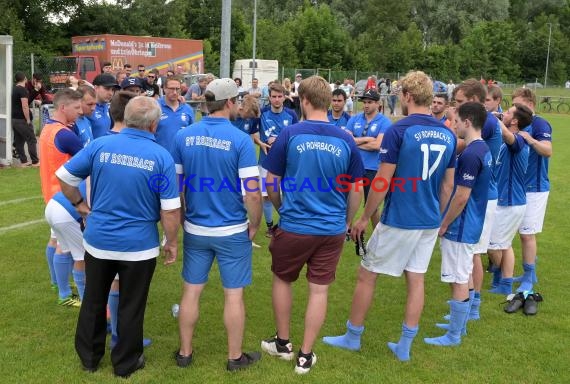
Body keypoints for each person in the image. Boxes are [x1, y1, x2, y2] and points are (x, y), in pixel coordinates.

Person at [322, 71, 456, 362]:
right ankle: (405, 345)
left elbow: (381, 182)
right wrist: (440, 216)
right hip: (429, 219)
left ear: (407, 96)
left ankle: (352, 336)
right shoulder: (448, 133)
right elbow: (448, 185)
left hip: (400, 217)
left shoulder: (398, 130)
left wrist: (363, 217)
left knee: (367, 274)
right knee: (416, 279)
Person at [57, 96, 181, 378]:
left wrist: (80, 205)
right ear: (154, 124)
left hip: (99, 241)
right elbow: (171, 210)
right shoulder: (161, 157)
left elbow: (65, 177)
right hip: (138, 245)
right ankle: (125, 363)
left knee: (93, 299)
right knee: (132, 304)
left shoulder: (100, 145)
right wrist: (171, 242)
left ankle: (89, 358)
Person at [261, 75, 364, 374]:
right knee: (319, 290)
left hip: (295, 225)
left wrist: (282, 208)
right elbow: (356, 188)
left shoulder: (291, 134)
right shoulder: (345, 138)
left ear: (304, 101)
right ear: (326, 101)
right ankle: (305, 355)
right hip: (330, 228)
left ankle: (283, 344)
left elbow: (271, 182)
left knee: (283, 279)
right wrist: (344, 221)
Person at [172, 78, 262, 371]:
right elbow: (252, 191)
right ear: (229, 103)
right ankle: (234, 357)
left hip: (196, 227)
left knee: (191, 291)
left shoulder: (184, 136)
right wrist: (255, 223)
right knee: (233, 294)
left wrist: (183, 216)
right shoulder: (239, 140)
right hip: (232, 228)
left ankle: (185, 352)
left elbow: (176, 185)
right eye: (236, 100)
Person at [424, 102, 491, 346]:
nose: (454, 125)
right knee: (463, 273)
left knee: (459, 277)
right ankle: (458, 324)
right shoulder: (482, 149)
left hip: (462, 225)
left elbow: (462, 196)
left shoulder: (472, 154)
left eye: (456, 121)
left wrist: (444, 223)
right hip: (472, 222)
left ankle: (453, 335)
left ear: (468, 122)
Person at [451, 79, 502, 318]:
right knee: (471, 254)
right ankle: (470, 304)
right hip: (483, 193)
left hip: (482, 196)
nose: (457, 107)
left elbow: (461, 144)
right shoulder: (486, 122)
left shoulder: (486, 123)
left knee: (473, 254)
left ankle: (473, 306)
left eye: (460, 103)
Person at [39, 88, 84, 306]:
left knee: (57, 241)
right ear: (63, 107)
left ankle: (58, 284)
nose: (80, 111)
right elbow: (87, 160)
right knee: (69, 249)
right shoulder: (65, 134)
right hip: (65, 199)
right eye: (77, 107)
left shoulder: (47, 129)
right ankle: (65, 293)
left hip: (51, 194)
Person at [510, 88, 552, 293]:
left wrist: (531, 139)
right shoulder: (514, 122)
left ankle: (528, 277)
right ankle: (529, 272)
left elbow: (548, 150)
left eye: (520, 105)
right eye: (514, 105)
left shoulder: (540, 123)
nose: (516, 109)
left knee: (527, 234)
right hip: (518, 185)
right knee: (521, 232)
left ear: (531, 104)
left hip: (535, 187)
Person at [487, 104, 532, 295]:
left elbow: (507, 135)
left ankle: (504, 280)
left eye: (507, 112)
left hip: (511, 202)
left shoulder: (519, 140)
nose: (503, 113)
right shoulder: (505, 141)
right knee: (501, 244)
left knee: (494, 245)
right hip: (504, 200)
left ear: (514, 121)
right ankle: (503, 280)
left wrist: (492, 119)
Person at [252, 82, 299, 238]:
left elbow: (297, 137)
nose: (277, 100)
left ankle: (286, 223)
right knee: (266, 195)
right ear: (269, 97)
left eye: (280, 96)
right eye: (274, 97)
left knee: (287, 192)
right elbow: (254, 135)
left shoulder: (291, 115)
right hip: (266, 162)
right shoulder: (262, 113)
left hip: (287, 162)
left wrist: (279, 140)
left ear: (284, 97)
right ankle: (270, 226)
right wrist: (261, 142)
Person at [345, 88, 392, 229]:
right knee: (348, 202)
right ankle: (346, 230)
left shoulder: (385, 122)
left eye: (370, 102)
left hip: (372, 168)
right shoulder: (354, 119)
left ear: (378, 104)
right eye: (364, 102)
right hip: (353, 167)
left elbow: (377, 145)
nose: (366, 105)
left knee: (372, 207)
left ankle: (377, 236)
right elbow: (347, 140)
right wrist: (366, 139)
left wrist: (355, 142)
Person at [155, 76, 194, 154]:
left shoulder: (187, 109)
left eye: (177, 89)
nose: (175, 92)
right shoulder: (155, 106)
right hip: (160, 155)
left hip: (181, 156)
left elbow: (191, 134)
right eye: (171, 89)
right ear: (164, 89)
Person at [12, 72, 39, 167]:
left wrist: (36, 90)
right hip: (22, 120)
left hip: (14, 119)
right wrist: (27, 119)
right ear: (24, 79)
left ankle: (24, 162)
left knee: (19, 141)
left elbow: (26, 101)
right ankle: (35, 162)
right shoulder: (22, 90)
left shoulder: (14, 89)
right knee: (31, 139)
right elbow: (25, 106)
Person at [88, 73, 119, 138]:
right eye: (107, 88)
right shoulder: (87, 108)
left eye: (113, 90)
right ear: (96, 88)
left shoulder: (108, 106)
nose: (110, 93)